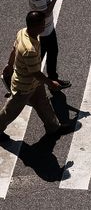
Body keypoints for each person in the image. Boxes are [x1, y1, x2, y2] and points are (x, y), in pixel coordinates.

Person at [0, 11, 72, 142]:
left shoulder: (22, 32)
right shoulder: (30, 49)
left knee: (43, 103)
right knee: (10, 111)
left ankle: (53, 127)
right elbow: (35, 73)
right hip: (24, 87)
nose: (44, 27)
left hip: (34, 83)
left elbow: (14, 49)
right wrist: (51, 83)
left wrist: (9, 65)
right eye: (42, 25)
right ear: (33, 26)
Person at [28, 0, 71, 90]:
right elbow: (45, 13)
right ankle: (35, 82)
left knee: (51, 53)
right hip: (45, 30)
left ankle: (52, 79)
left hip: (46, 28)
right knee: (42, 57)